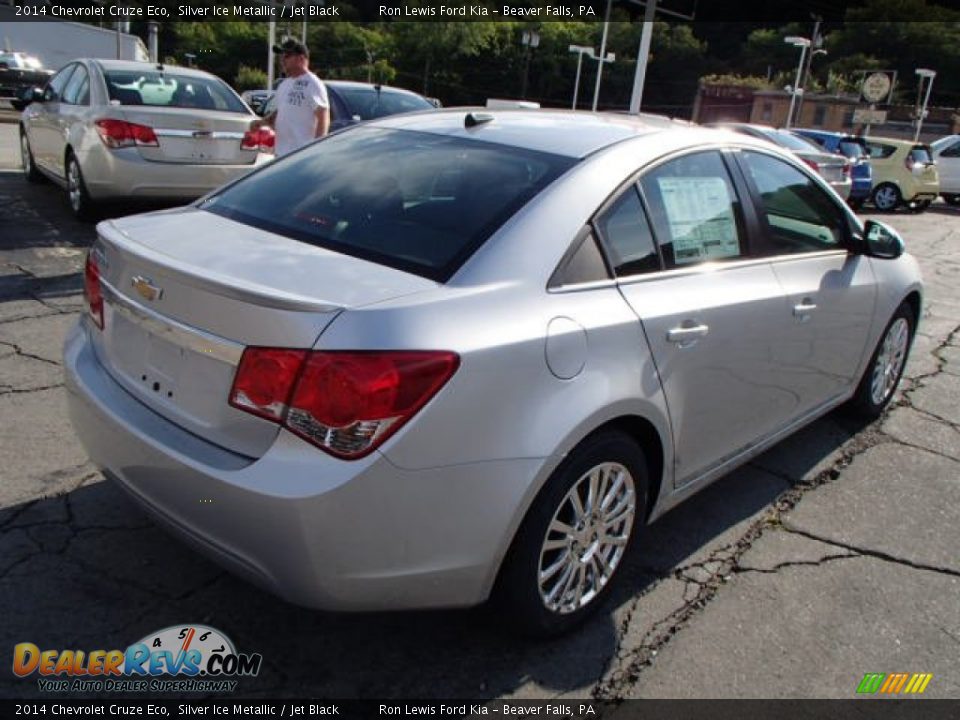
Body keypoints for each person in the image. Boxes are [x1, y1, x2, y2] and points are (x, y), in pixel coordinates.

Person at [254, 39, 330, 157]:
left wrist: (316, 150)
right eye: (282, 56)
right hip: (281, 154)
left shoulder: (313, 83)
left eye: (287, 56)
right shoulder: (284, 85)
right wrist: (262, 122)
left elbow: (323, 117)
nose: (282, 60)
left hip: (301, 154)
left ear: (301, 58)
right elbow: (282, 111)